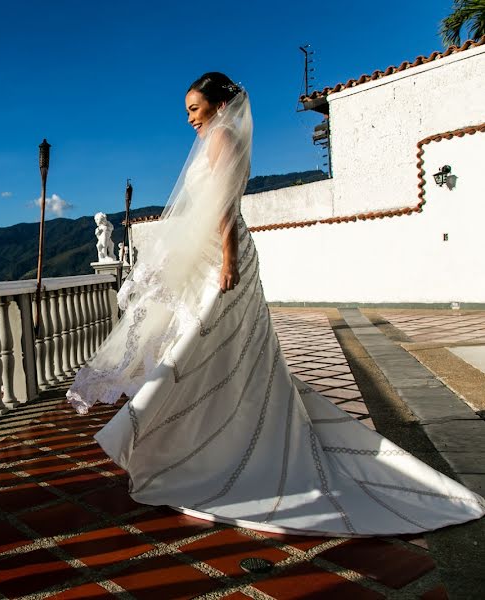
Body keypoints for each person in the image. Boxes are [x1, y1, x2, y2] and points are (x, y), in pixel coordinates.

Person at [67, 72, 484, 536]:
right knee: (215, 345)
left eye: (194, 109)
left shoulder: (222, 137)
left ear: (219, 105)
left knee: (212, 343)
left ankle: (187, 439)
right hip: (214, 252)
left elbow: (224, 202)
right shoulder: (220, 136)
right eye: (187, 110)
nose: (189, 119)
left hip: (223, 256)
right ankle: (196, 437)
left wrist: (227, 261)